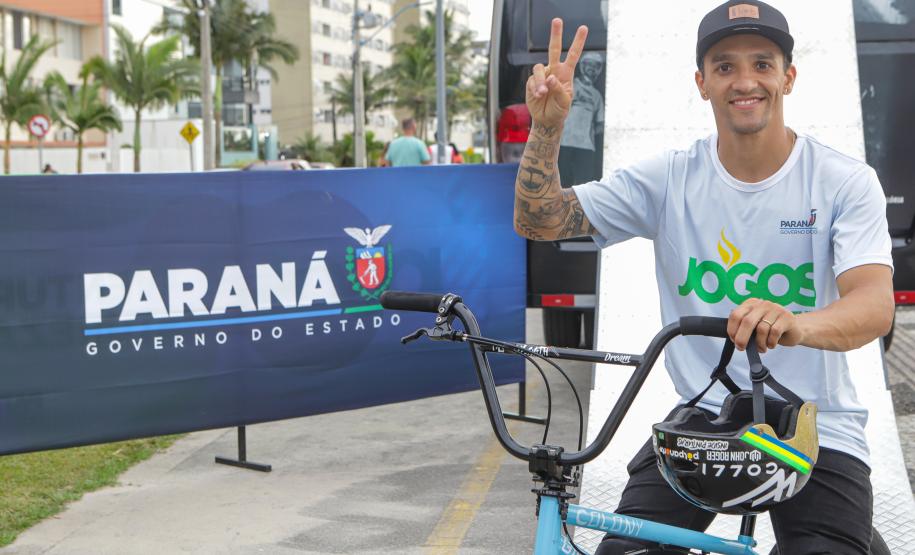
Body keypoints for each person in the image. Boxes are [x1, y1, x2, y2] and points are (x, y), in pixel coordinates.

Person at [514, 2, 894, 553]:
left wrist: (796, 323)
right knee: (626, 550)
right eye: (724, 66)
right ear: (702, 83)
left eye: (762, 64)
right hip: (706, 421)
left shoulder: (843, 181)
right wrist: (546, 129)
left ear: (788, 76)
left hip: (816, 426)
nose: (745, 81)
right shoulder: (670, 177)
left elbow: (874, 307)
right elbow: (539, 219)